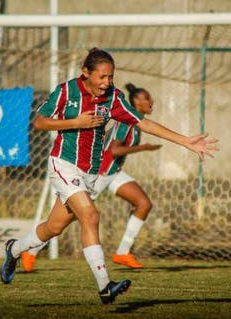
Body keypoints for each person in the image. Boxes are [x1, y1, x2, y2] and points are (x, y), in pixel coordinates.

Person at [0, 48, 218, 304]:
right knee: (91, 216)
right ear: (86, 73)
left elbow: (142, 122)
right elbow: (39, 122)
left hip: (90, 173)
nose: (106, 83)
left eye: (110, 77)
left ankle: (13, 249)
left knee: (54, 227)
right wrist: (75, 123)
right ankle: (105, 286)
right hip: (63, 164)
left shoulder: (113, 98)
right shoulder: (67, 92)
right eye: (101, 77)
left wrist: (184, 141)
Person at [20, 83, 162, 271]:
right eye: (147, 98)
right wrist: (143, 148)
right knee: (67, 218)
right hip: (102, 172)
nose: (151, 102)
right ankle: (31, 250)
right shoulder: (126, 124)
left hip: (114, 172)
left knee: (143, 203)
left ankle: (123, 252)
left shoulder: (133, 122)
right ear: (136, 101)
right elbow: (115, 149)